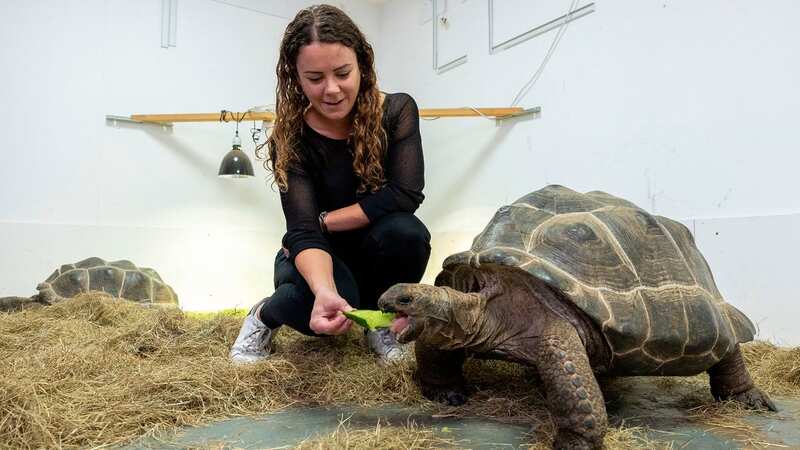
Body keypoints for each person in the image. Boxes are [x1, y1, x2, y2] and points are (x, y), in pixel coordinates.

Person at [229, 4, 430, 365]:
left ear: (362, 65)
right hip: (313, 254)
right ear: (297, 78)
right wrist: (324, 290)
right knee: (308, 304)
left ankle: (377, 322)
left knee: (408, 233)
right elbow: (304, 231)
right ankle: (263, 317)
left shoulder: (397, 111)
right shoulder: (291, 137)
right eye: (315, 78)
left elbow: (406, 194)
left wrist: (327, 220)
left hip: (372, 246)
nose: (332, 89)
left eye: (342, 73)